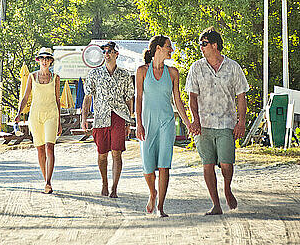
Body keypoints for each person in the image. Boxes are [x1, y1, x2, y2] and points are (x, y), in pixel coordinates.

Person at [185, 27, 249, 215]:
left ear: (215, 45)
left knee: (227, 164)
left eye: (204, 44)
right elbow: (192, 98)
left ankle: (227, 189)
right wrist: (194, 120)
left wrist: (241, 122)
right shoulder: (196, 67)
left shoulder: (233, 67)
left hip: (226, 124)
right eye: (200, 44)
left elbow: (241, 97)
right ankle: (216, 204)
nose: (201, 48)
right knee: (208, 164)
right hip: (204, 125)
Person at [136, 35, 196, 217]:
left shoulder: (173, 73)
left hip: (166, 122)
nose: (171, 50)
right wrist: (138, 123)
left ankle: (161, 206)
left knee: (164, 166)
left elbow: (177, 101)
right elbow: (139, 99)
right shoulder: (142, 71)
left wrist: (188, 123)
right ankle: (152, 193)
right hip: (147, 123)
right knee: (148, 167)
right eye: (169, 46)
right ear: (158, 48)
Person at [81, 41, 134, 198]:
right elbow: (88, 97)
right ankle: (104, 182)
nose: (107, 54)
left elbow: (129, 99)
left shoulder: (124, 75)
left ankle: (114, 188)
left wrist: (129, 121)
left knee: (117, 153)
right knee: (102, 153)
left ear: (116, 54)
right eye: (104, 51)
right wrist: (84, 117)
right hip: (100, 117)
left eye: (110, 51)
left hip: (119, 117)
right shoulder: (94, 74)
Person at [15, 47, 62, 194]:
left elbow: (57, 100)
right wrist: (18, 113)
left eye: (47, 59)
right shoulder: (32, 77)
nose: (45, 61)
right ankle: (45, 179)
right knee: (40, 148)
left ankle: (48, 182)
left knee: (50, 147)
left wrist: (59, 121)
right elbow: (25, 97)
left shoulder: (56, 78)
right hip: (35, 115)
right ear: (39, 60)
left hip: (51, 114)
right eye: (42, 58)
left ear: (51, 61)